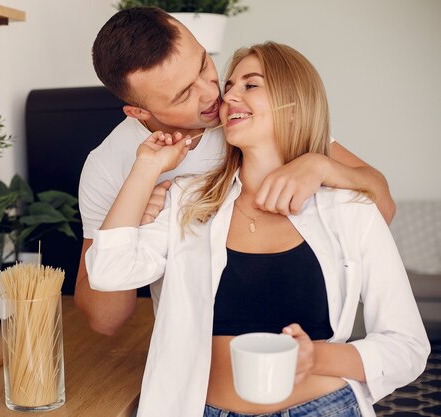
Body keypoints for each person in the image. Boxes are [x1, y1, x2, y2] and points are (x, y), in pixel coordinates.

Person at [85, 41, 429, 417]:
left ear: (294, 106)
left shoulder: (350, 210)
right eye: (230, 85)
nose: (228, 94)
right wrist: (146, 167)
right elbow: (107, 273)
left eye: (250, 85)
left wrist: (316, 357)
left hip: (324, 408)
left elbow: (407, 347)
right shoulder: (186, 201)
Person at [76, 7, 396, 336]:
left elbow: (382, 205)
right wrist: (131, 217)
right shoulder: (108, 166)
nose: (215, 93)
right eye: (185, 94)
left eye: (203, 64)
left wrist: (319, 165)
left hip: (302, 336)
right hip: (198, 349)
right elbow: (106, 319)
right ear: (138, 111)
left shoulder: (248, 114)